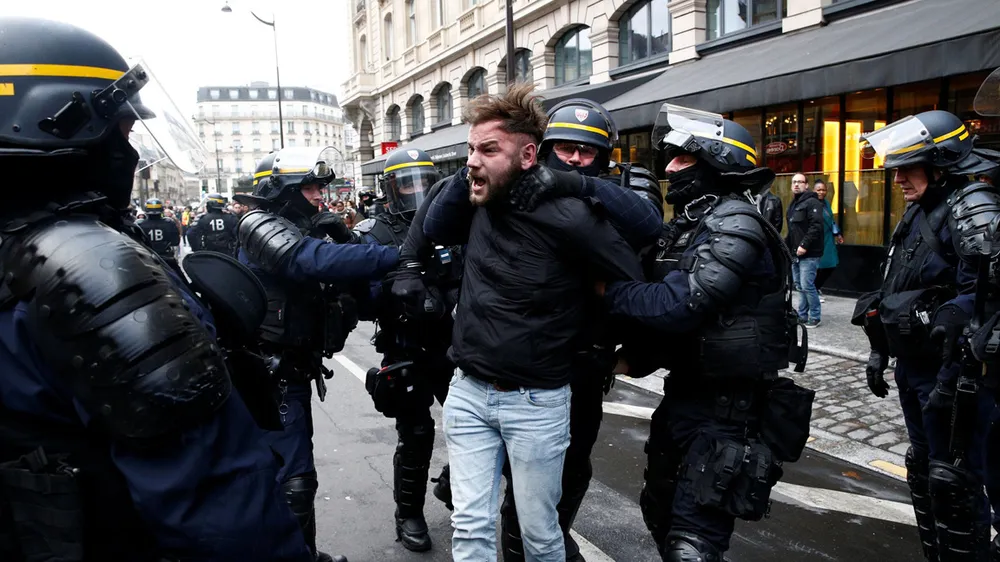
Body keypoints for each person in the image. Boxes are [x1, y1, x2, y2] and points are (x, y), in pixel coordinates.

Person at [0, 17, 314, 562]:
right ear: (55, 124)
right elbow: (220, 511)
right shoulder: (89, 270)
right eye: (121, 131)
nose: (131, 153)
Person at [423, 84, 644, 562]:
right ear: (541, 152)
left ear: (525, 155)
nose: (577, 159)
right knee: (469, 526)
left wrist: (604, 310)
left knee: (540, 532)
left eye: (487, 149)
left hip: (541, 397)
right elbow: (432, 229)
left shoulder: (578, 215)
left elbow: (639, 259)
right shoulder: (476, 198)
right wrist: (474, 175)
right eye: (470, 149)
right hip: (469, 391)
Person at [598, 104, 810, 561]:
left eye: (682, 159)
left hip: (728, 412)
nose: (669, 169)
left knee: (693, 542)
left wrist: (606, 292)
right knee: (660, 512)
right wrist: (623, 358)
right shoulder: (695, 224)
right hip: (685, 397)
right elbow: (674, 317)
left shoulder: (735, 223)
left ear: (719, 162)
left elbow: (680, 306)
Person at [500, 98, 663, 562]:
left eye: (586, 151)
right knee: (524, 470)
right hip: (526, 354)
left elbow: (649, 228)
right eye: (565, 148)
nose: (574, 156)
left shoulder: (617, 190)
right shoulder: (519, 184)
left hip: (587, 356)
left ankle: (551, 534)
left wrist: (577, 184)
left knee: (573, 465)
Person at [237, 146, 399, 562]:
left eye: (318, 187)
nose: (317, 196)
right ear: (279, 191)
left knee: (291, 475)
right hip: (271, 374)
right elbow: (309, 261)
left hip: (295, 368)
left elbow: (359, 298)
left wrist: (347, 238)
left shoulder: (302, 228)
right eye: (307, 187)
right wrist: (393, 254)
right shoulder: (259, 224)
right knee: (293, 481)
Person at [857, 110, 994, 561]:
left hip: (956, 372)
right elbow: (896, 284)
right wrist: (880, 348)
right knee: (924, 471)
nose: (897, 179)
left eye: (907, 168)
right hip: (914, 368)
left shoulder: (972, 204)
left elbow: (988, 293)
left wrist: (956, 348)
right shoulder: (919, 210)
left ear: (941, 163)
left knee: (954, 479)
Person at [355, 147, 459, 553]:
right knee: (416, 434)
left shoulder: (449, 220)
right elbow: (363, 303)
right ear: (389, 188)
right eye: (407, 183)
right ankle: (408, 513)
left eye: (425, 182)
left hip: (453, 346)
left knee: (477, 431)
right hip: (405, 347)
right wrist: (390, 288)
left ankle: (453, 482)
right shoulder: (375, 232)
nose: (418, 191)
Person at [786, 172, 825, 327]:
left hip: (809, 253)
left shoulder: (812, 203)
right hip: (795, 252)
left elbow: (816, 227)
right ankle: (802, 315)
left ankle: (815, 316)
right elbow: (792, 230)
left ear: (806, 185)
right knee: (800, 286)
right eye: (794, 182)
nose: (796, 184)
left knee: (807, 285)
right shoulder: (794, 204)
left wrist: (804, 245)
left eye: (800, 182)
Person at [813, 179, 843, 301]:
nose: (821, 192)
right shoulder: (811, 203)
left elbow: (831, 219)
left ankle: (816, 287)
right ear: (813, 190)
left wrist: (838, 234)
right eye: (818, 189)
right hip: (817, 238)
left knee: (831, 264)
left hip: (828, 236)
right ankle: (814, 290)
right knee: (819, 265)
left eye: (823, 189)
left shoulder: (826, 202)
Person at [136, 197, 183, 274]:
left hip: (146, 260)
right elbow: (176, 242)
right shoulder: (169, 223)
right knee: (182, 281)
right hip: (166, 258)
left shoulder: (139, 224)